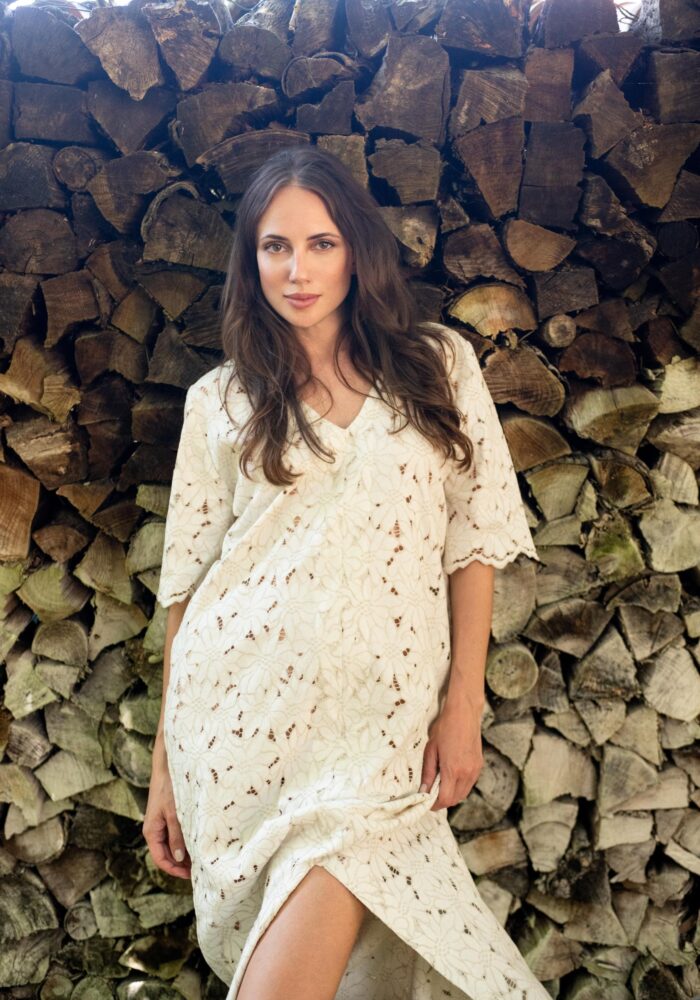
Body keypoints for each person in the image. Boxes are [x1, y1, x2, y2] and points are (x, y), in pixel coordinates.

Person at [143, 146, 548, 1000]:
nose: (298, 271)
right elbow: (188, 589)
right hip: (243, 726)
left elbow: (472, 543)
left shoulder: (437, 365)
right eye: (275, 247)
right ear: (251, 261)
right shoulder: (220, 401)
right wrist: (165, 772)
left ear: (356, 249)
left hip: (382, 735)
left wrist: (464, 705)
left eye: (320, 244)